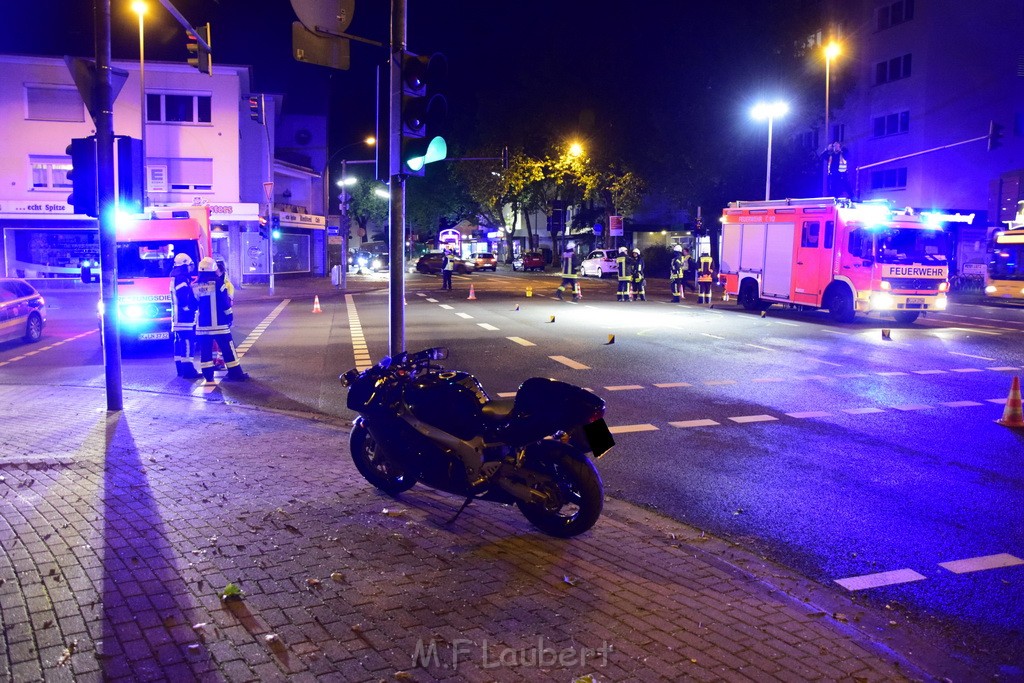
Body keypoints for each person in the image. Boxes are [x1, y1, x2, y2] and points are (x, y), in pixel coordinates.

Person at [194, 257, 249, 382]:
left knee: (206, 352)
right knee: (228, 350)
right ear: (213, 269)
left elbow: (193, 304)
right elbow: (225, 302)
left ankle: (208, 376)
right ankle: (235, 374)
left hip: (203, 326)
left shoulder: (196, 285)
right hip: (220, 325)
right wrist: (230, 316)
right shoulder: (219, 283)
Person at [170, 253, 201, 379]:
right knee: (188, 341)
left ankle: (181, 369)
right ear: (184, 266)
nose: (191, 268)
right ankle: (188, 370)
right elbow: (183, 298)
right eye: (189, 265)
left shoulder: (176, 277)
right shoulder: (182, 278)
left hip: (177, 317)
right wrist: (191, 307)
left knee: (179, 342)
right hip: (184, 317)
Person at [210, 258, 236, 372]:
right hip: (215, 318)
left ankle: (220, 361)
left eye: (216, 271)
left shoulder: (226, 285)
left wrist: (229, 317)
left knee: (221, 342)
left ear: (221, 271)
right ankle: (216, 360)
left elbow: (228, 303)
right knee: (214, 342)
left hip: (222, 318)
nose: (215, 274)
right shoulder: (215, 283)